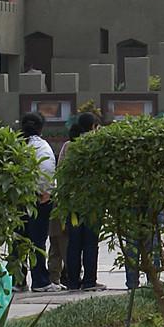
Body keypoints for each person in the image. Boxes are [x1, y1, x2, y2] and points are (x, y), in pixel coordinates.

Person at [59, 112, 102, 290]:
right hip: (92, 202)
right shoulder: (98, 145)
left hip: (73, 202)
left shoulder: (68, 146)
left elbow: (60, 172)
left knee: (74, 243)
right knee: (91, 242)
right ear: (93, 126)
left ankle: (73, 281)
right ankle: (90, 281)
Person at [18, 113, 56, 289]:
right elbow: (47, 170)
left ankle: (17, 280)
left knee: (18, 240)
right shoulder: (42, 147)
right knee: (37, 241)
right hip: (39, 200)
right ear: (41, 128)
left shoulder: (15, 144)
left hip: (17, 200)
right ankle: (40, 280)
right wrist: (45, 192)